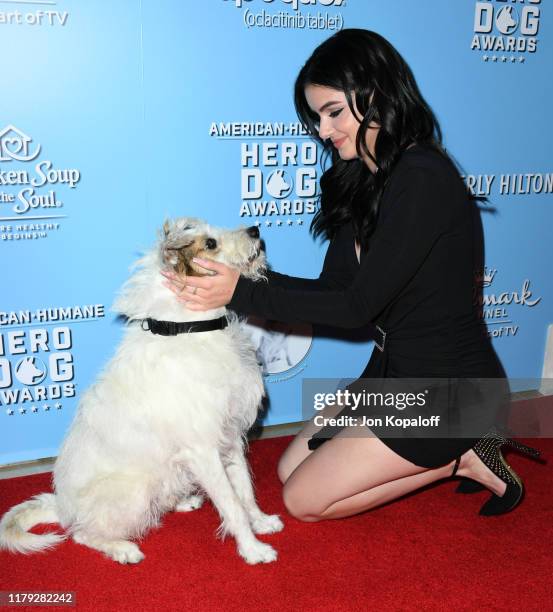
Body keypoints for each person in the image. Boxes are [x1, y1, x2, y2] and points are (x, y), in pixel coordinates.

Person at [161, 29, 540, 520]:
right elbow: (333, 291)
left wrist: (241, 293)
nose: (323, 129)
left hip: (450, 390)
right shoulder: (359, 178)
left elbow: (358, 308)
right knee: (289, 468)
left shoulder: (423, 177)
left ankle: (462, 453)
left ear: (377, 94)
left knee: (304, 501)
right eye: (316, 116)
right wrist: (238, 280)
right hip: (390, 379)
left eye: (334, 112)